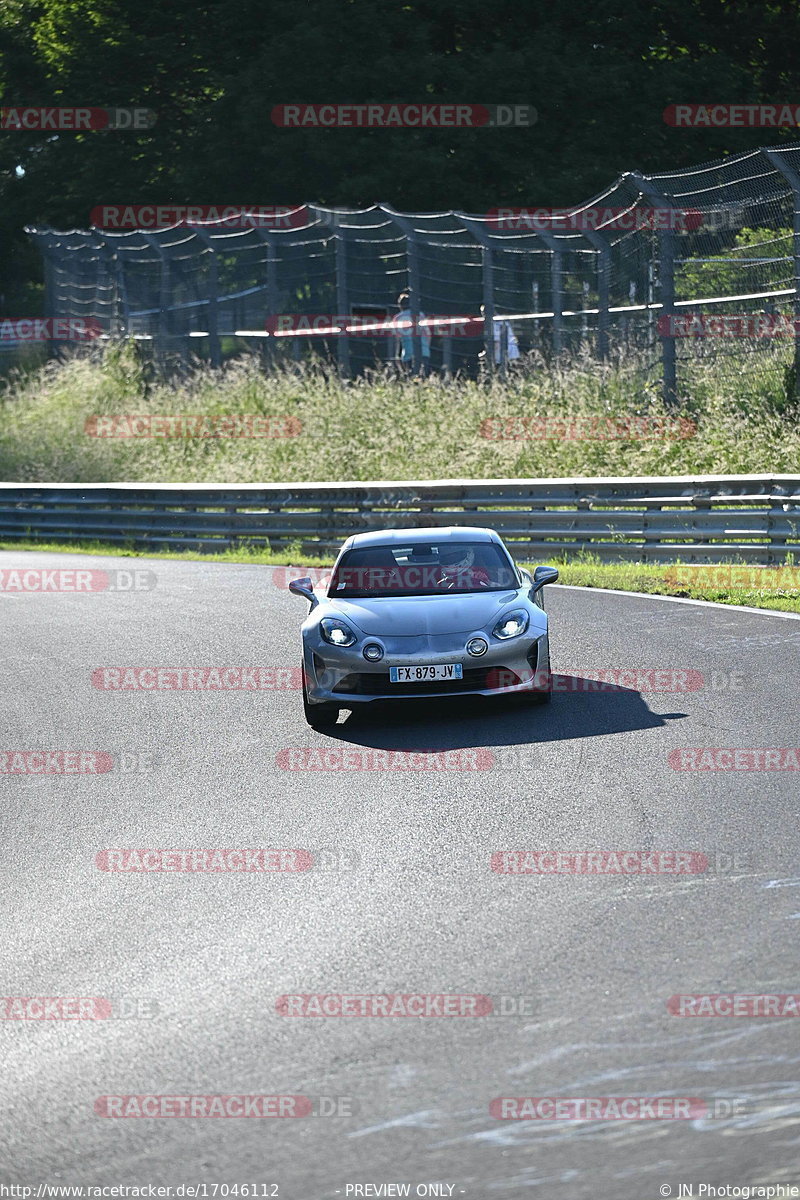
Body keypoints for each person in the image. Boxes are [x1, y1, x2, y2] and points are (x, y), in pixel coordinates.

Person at [392, 291, 431, 374]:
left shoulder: (397, 318)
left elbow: (398, 339)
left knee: (410, 377)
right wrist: (426, 348)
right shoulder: (420, 315)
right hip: (424, 351)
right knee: (424, 376)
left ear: (400, 306)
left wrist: (397, 356)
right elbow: (428, 334)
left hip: (407, 353)